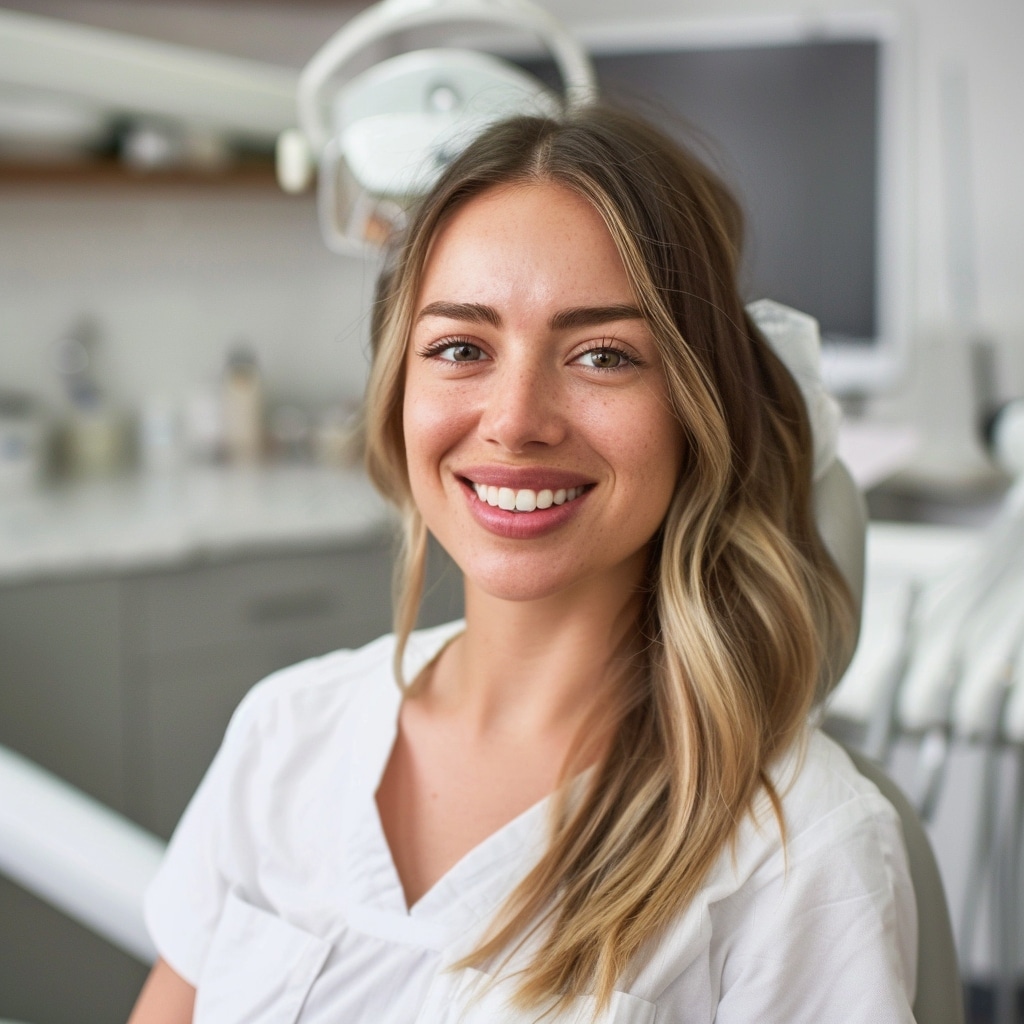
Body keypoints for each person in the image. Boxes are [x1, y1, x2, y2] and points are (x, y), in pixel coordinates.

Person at [128, 105, 916, 1023]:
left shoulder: (797, 849)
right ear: (396, 395)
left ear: (699, 413)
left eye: (602, 355)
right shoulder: (285, 737)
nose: (515, 418)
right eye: (461, 347)